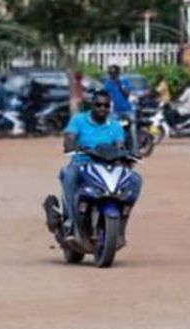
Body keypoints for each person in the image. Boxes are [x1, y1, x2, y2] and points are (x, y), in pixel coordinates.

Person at [59, 90, 142, 238]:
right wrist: (70, 145)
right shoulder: (78, 120)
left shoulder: (115, 125)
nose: (102, 108)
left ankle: (122, 221)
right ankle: (71, 222)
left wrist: (127, 155)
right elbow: (69, 137)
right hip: (82, 163)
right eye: (98, 105)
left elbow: (119, 145)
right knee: (69, 175)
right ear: (92, 105)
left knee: (135, 179)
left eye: (106, 105)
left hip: (107, 166)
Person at [103, 65, 136, 152]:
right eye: (110, 73)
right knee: (111, 130)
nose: (112, 76)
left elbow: (127, 94)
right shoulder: (107, 84)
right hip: (114, 111)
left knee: (132, 130)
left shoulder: (124, 81)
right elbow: (105, 96)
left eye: (114, 73)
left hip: (127, 110)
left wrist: (120, 85)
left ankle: (134, 151)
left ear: (118, 73)